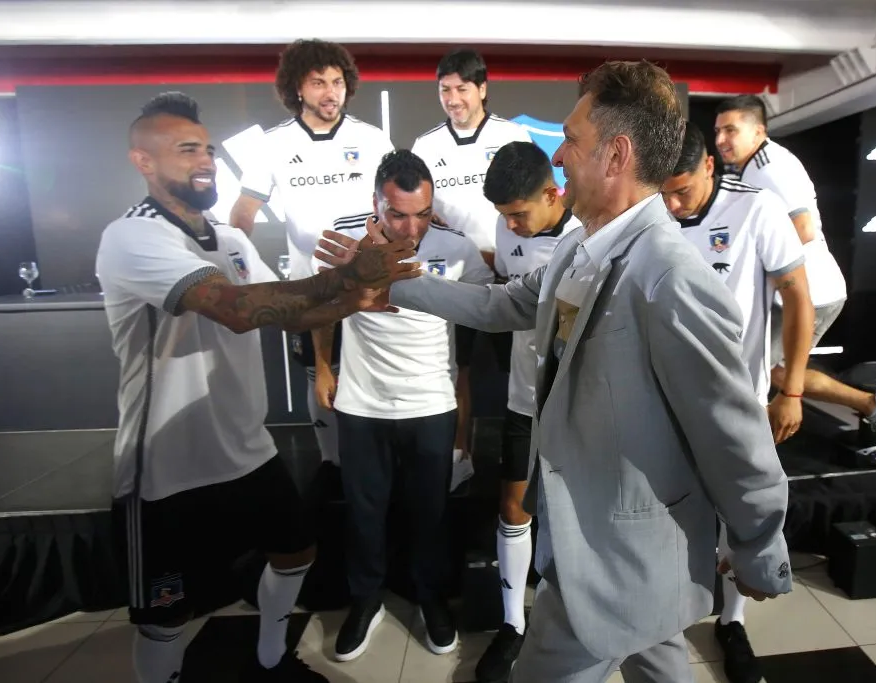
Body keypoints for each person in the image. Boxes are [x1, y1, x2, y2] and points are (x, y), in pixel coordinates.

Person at [319, 60, 792, 683]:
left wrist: (760, 545)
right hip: (609, 542)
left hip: (617, 545)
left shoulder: (671, 277)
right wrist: (394, 284)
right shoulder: (580, 246)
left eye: (571, 139)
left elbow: (732, 429)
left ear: (616, 155)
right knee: (658, 656)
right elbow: (504, 304)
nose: (560, 155)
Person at [95, 93, 418, 683]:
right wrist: (348, 277)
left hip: (246, 449)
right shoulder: (130, 237)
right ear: (143, 161)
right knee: (165, 616)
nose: (206, 161)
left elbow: (289, 311)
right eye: (186, 149)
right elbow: (240, 309)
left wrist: (363, 295)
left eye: (209, 150)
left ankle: (271, 658)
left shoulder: (232, 239)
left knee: (296, 553)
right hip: (166, 468)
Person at [313, 150, 494, 663]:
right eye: (397, 214)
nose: (412, 227)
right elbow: (318, 306)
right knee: (365, 513)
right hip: (362, 401)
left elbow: (481, 324)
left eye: (422, 213)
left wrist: (466, 418)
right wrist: (324, 367)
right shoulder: (343, 241)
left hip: (430, 401)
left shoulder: (456, 248)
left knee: (430, 514)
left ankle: (429, 596)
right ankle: (365, 599)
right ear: (376, 202)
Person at [661, 121, 815, 683]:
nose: (673, 206)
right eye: (664, 192)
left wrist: (792, 388)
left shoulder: (758, 210)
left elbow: (798, 296)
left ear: (709, 167)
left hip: (739, 403)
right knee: (671, 514)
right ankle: (672, 613)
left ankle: (733, 621)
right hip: (666, 402)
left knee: (739, 517)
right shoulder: (653, 213)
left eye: (683, 190)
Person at [229, 39, 395, 469]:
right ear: (297, 88)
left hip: (368, 285)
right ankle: (329, 465)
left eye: (337, 82)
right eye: (319, 82)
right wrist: (241, 271)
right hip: (311, 288)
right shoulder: (272, 144)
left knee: (373, 376)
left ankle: (373, 465)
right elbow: (243, 213)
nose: (330, 92)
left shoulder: (372, 139)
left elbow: (394, 207)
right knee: (319, 378)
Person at [714, 95, 876, 460]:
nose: (722, 139)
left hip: (810, 292)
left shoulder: (770, 167)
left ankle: (874, 404)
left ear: (758, 130)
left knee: (758, 373)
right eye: (718, 131)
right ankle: (874, 404)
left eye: (731, 130)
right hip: (799, 291)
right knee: (768, 371)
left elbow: (801, 229)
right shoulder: (754, 165)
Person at [474, 140, 579, 683]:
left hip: (578, 407)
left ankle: (573, 614)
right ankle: (513, 624)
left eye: (519, 213)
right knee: (514, 508)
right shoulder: (504, 231)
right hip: (521, 399)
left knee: (577, 515)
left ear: (552, 192)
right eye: (503, 216)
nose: (511, 226)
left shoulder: (590, 238)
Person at [411, 48, 534, 489]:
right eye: (445, 89)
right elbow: (425, 214)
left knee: (519, 373)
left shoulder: (512, 134)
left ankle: (523, 457)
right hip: (455, 277)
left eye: (462, 88)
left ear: (482, 88)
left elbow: (534, 201)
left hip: (510, 276)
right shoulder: (426, 146)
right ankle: (459, 455)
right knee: (455, 370)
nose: (453, 97)